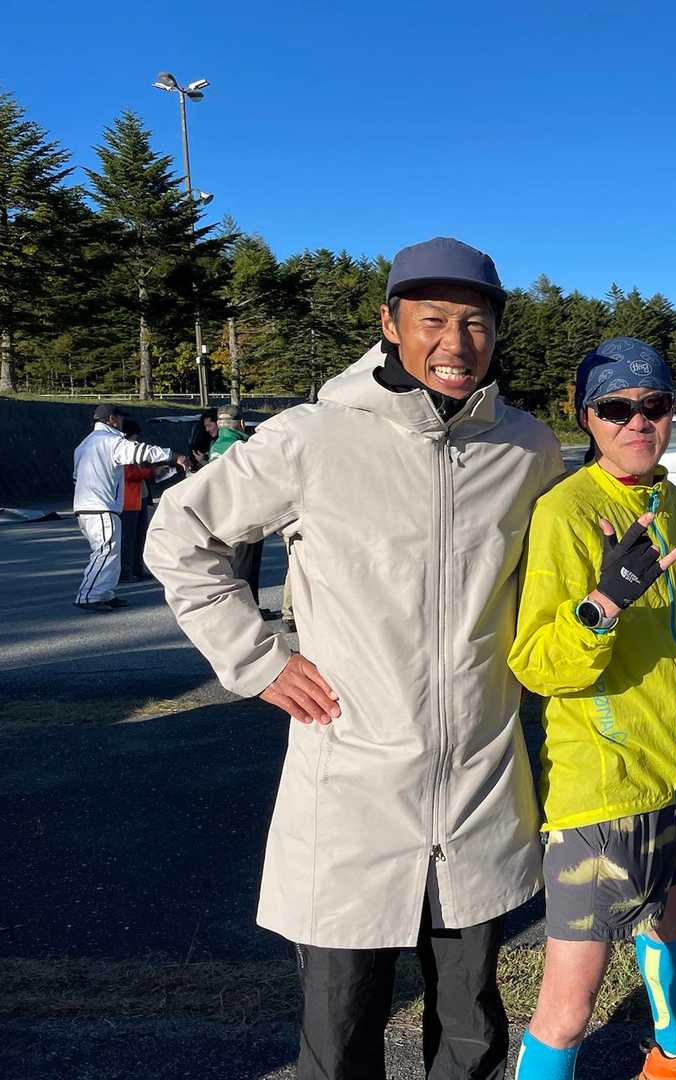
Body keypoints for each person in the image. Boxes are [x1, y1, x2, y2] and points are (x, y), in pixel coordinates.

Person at [146, 237, 563, 1080]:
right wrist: (258, 660)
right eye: (433, 319)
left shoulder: (527, 448)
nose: (455, 343)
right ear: (389, 323)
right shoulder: (314, 437)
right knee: (339, 1040)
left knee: (472, 1033)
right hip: (355, 786)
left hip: (479, 788)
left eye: (475, 323)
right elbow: (179, 533)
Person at [508, 338, 676, 1080]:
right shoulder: (566, 511)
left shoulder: (671, 503)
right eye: (616, 408)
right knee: (571, 999)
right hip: (602, 784)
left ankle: (674, 1058)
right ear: (586, 418)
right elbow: (538, 665)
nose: (637, 422)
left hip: (672, 767)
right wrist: (602, 605)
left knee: (675, 914)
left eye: (653, 406)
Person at [73, 403, 190, 612]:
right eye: (120, 418)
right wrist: (174, 456)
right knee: (106, 550)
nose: (122, 423)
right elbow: (141, 452)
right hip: (102, 506)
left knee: (110, 551)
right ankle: (89, 595)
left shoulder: (84, 445)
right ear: (112, 419)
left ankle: (105, 593)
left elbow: (76, 477)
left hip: (85, 506)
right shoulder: (111, 441)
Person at [207, 403, 269, 611]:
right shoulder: (241, 446)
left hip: (221, 510)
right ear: (241, 423)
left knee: (231, 563)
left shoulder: (216, 446)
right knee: (246, 562)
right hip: (244, 510)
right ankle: (248, 609)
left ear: (219, 423)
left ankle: (235, 607)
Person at [118, 417, 162, 583]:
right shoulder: (122, 451)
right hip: (128, 500)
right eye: (135, 438)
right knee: (128, 538)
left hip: (139, 497)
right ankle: (125, 571)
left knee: (139, 536)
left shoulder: (132, 452)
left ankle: (137, 568)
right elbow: (128, 474)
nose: (137, 442)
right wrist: (151, 472)